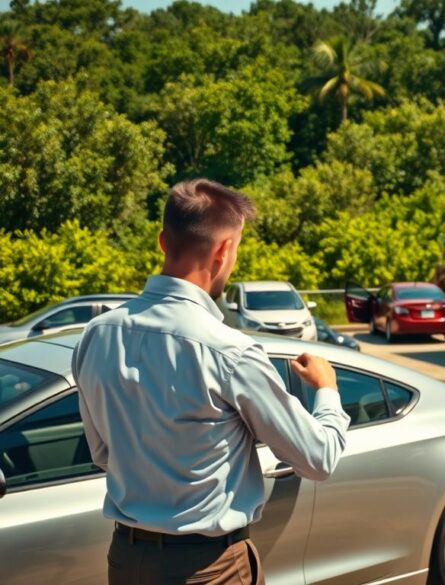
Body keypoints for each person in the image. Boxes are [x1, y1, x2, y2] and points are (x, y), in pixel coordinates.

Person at [73, 179, 350, 584]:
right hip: (208, 569)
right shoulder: (229, 351)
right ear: (223, 251)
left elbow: (103, 453)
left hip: (127, 560)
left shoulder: (96, 334)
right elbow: (318, 458)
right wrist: (326, 390)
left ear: (163, 241)